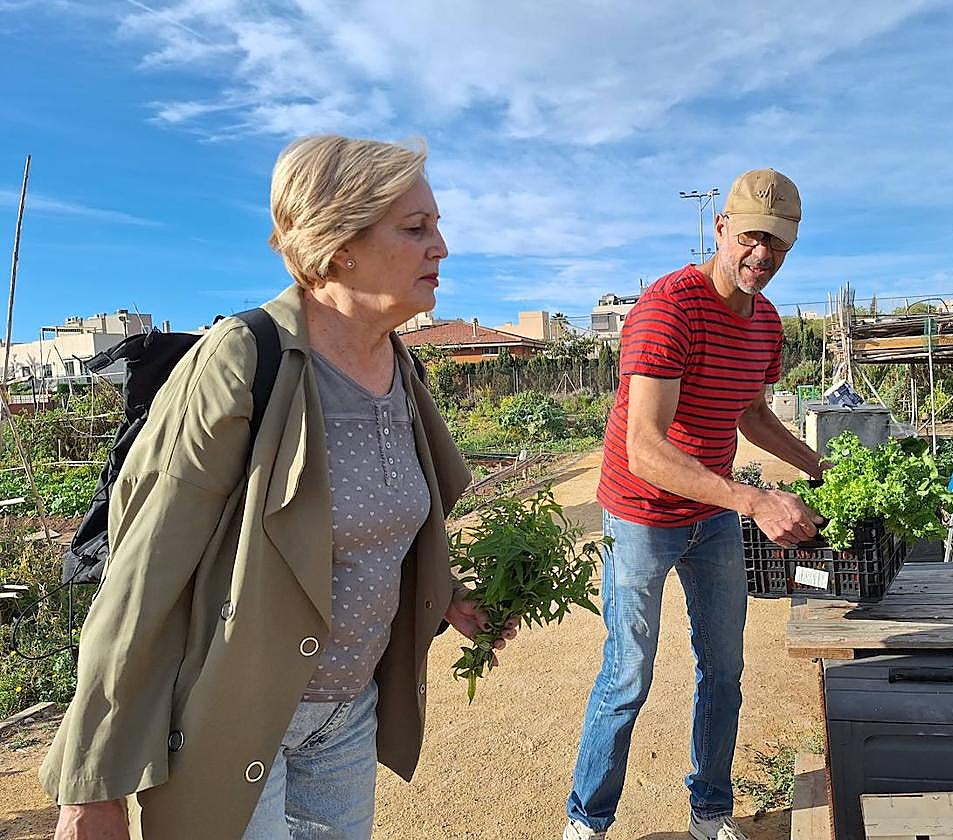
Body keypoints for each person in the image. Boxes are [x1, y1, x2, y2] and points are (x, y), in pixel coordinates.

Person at [41, 135, 516, 840]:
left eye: (436, 225)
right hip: (231, 716)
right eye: (416, 228)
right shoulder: (242, 358)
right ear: (338, 244)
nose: (441, 246)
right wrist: (92, 784)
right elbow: (143, 574)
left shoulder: (400, 371)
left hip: (348, 712)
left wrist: (446, 596)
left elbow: (387, 523)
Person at [563, 169, 825, 840]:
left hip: (709, 518)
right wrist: (753, 498)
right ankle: (587, 821)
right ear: (720, 229)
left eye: (779, 247)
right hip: (641, 516)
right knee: (627, 677)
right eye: (750, 238)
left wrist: (815, 465)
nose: (762, 257)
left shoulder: (765, 322)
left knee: (725, 670)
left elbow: (753, 415)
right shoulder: (667, 308)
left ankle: (710, 811)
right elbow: (644, 449)